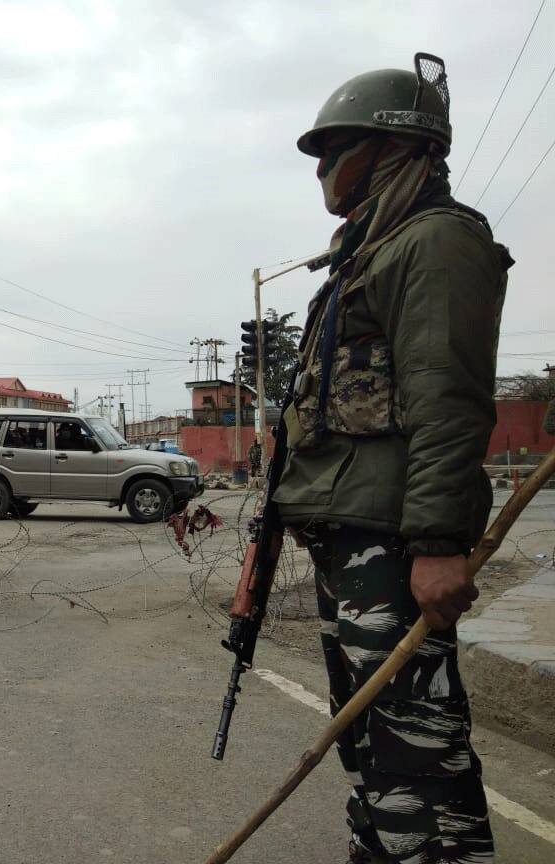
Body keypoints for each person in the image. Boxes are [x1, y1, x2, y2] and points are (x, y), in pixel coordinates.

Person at [275, 54, 512, 864]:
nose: (324, 171)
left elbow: (449, 401)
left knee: (417, 751)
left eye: (335, 149)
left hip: (395, 541)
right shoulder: (369, 250)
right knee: (374, 745)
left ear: (389, 148)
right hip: (355, 536)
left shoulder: (436, 241)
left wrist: (441, 546)